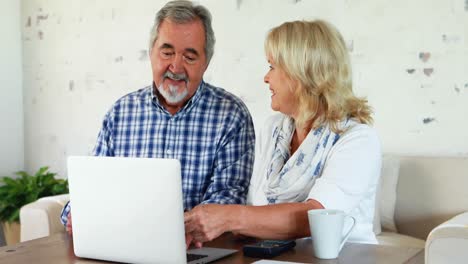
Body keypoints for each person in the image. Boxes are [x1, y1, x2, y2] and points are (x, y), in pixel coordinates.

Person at [61, 0, 255, 235]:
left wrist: (167, 227)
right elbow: (94, 187)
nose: (176, 66)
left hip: (198, 251)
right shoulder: (120, 114)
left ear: (206, 62)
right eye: (167, 52)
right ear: (151, 52)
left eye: (190, 56)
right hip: (122, 243)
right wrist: (77, 214)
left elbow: (227, 201)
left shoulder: (231, 115)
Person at [184, 19, 381, 247]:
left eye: (272, 67)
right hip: (278, 256)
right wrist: (203, 227)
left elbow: (316, 218)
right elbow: (256, 212)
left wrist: (228, 217)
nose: (266, 78)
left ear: (301, 73)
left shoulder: (358, 140)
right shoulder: (274, 129)